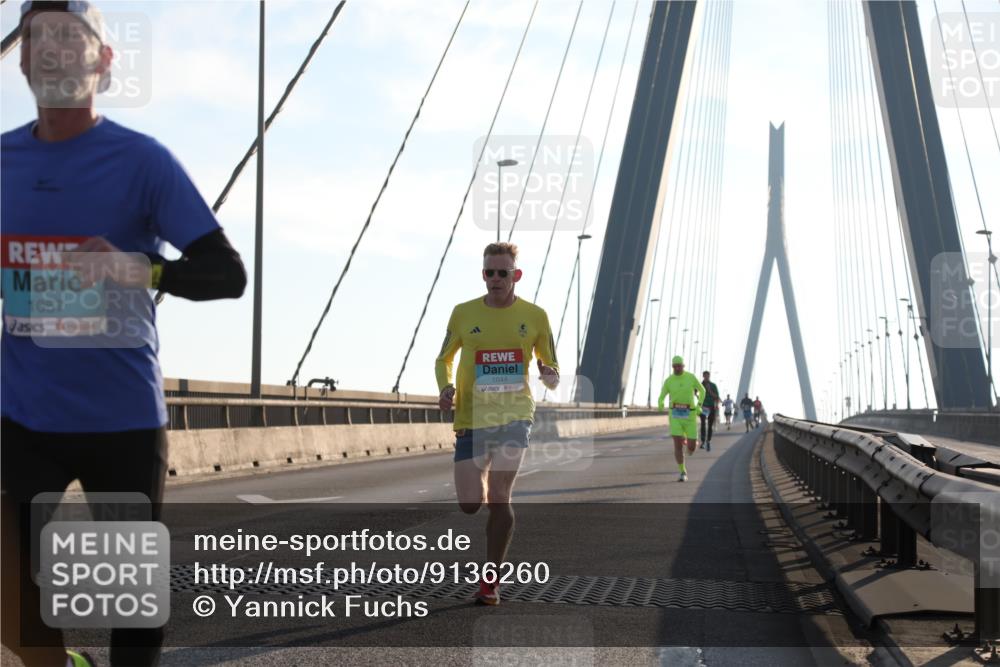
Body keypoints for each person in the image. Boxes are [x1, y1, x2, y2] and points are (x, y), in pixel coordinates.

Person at [1, 3, 247, 666]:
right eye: (37, 36)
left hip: (122, 419)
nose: (51, 49)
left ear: (104, 63)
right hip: (21, 415)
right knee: (11, 590)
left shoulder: (142, 161)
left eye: (70, 36)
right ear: (21, 60)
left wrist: (139, 267)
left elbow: (228, 275)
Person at [435, 242, 559, 606]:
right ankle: (481, 481)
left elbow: (551, 374)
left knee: (500, 497)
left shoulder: (536, 316)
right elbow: (443, 359)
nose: (495, 279)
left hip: (514, 416)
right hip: (472, 417)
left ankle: (491, 580)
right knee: (471, 503)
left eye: (502, 272)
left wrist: (548, 373)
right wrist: (445, 388)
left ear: (515, 276)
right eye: (489, 272)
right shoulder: (463, 313)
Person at [657, 356, 705, 482]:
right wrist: (660, 402)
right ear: (672, 367)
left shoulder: (691, 377)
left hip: (690, 415)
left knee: (692, 448)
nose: (677, 368)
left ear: (683, 366)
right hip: (675, 415)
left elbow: (702, 390)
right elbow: (662, 395)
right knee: (677, 444)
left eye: (680, 366)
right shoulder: (669, 381)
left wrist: (699, 405)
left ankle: (690, 444)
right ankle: (682, 471)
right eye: (675, 366)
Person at [698, 371, 720, 451]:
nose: (706, 377)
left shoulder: (713, 385)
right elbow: (695, 392)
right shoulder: (700, 385)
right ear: (703, 376)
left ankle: (709, 441)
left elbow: (717, 397)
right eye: (705, 376)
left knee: (710, 425)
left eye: (708, 376)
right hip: (703, 406)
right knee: (703, 423)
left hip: (711, 407)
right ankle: (703, 441)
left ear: (709, 376)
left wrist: (709, 390)